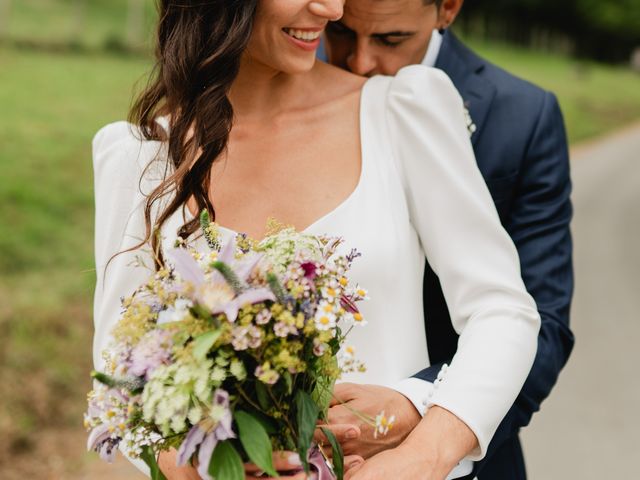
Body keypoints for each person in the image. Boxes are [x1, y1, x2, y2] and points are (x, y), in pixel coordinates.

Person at [91, 1, 541, 479]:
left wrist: (423, 456)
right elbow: (117, 376)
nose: (330, 8)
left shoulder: (401, 111)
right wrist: (194, 468)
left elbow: (501, 309)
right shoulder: (138, 155)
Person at [318, 0, 575, 478]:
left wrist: (420, 406)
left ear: (448, 9)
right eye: (341, 34)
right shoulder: (287, 81)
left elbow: (544, 324)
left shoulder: (521, 116)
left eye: (391, 40)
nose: (359, 63)